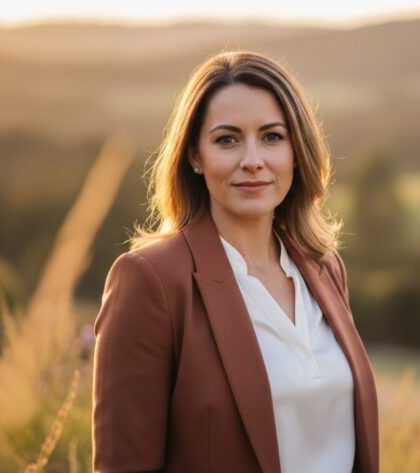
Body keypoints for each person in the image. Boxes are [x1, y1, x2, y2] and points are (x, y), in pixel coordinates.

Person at [91, 50, 379, 473]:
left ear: (297, 151)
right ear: (194, 156)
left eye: (272, 137)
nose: (252, 160)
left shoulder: (324, 268)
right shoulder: (151, 281)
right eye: (227, 139)